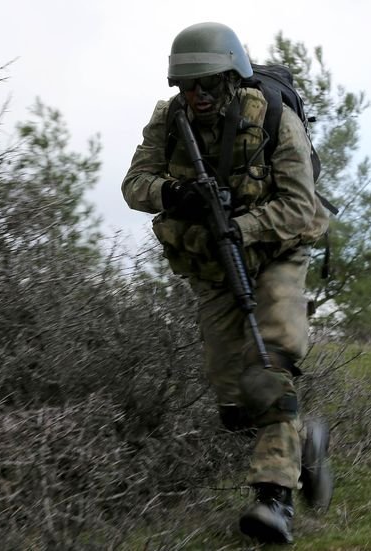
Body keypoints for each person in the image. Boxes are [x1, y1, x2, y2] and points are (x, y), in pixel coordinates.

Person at [121, 22, 333, 544]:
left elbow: (299, 205)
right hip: (212, 265)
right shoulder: (170, 119)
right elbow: (134, 185)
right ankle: (306, 441)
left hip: (278, 252)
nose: (197, 95)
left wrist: (243, 227)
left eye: (208, 83)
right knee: (236, 407)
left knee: (268, 371)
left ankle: (274, 500)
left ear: (232, 76)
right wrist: (175, 194)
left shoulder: (276, 118)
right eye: (188, 85)